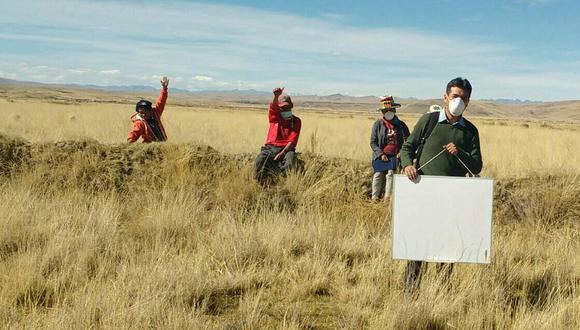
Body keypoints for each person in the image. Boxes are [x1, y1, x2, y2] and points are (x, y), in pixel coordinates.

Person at [399, 77, 483, 294]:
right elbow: (407, 148)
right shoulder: (428, 121)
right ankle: (410, 292)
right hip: (423, 194)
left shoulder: (470, 131)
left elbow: (477, 167)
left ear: (469, 102)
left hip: (453, 199)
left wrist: (460, 152)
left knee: (447, 248)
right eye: (455, 96)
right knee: (418, 245)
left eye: (464, 98)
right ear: (445, 97)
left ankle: (441, 294)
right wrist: (408, 165)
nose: (459, 101)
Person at [253, 87, 302, 185]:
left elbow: (292, 141)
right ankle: (262, 184)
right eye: (282, 108)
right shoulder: (274, 117)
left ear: (291, 106)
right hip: (270, 148)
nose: (285, 110)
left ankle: (284, 184)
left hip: (286, 149)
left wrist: (283, 153)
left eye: (287, 107)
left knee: (290, 160)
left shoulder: (296, 121)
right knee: (260, 160)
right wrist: (276, 96)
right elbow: (273, 107)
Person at [370, 95, 410, 201]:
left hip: (395, 155)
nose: (388, 111)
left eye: (390, 109)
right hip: (381, 155)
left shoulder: (401, 125)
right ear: (382, 112)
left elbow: (408, 141)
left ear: (394, 110)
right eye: (385, 110)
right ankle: (374, 198)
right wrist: (380, 154)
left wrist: (402, 152)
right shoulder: (378, 124)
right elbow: (373, 142)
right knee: (378, 174)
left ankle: (387, 198)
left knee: (391, 173)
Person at [127, 76, 169, 143]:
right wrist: (130, 141)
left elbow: (161, 101)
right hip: (150, 146)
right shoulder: (140, 123)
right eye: (141, 112)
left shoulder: (155, 113)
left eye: (145, 113)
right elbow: (135, 132)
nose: (143, 115)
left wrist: (164, 88)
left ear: (150, 111)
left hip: (163, 144)